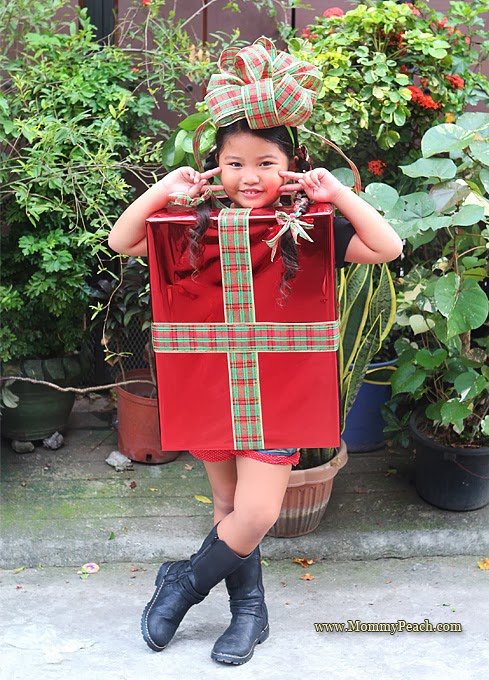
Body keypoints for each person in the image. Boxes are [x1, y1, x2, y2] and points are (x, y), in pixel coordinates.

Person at [108, 38, 403, 666]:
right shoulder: (194, 221)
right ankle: (249, 613)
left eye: (266, 162)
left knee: (259, 510)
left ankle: (183, 585)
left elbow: (388, 247)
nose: (250, 177)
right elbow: (122, 239)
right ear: (216, 165)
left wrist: (335, 193)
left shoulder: (313, 225)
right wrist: (165, 187)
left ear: (289, 164)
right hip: (213, 387)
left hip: (276, 393)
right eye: (235, 163)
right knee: (227, 507)